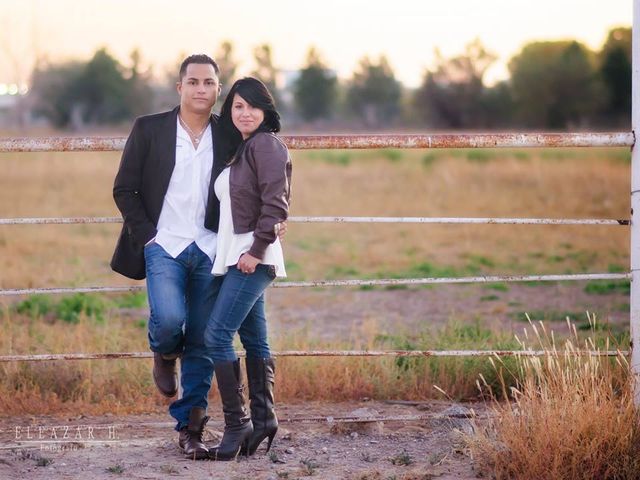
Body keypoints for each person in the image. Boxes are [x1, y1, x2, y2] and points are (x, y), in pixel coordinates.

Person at [111, 55, 285, 460]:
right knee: (170, 322)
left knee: (206, 341)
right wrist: (150, 237)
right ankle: (163, 351)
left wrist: (270, 222)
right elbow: (125, 189)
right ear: (180, 87)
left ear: (217, 89)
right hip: (164, 246)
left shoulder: (230, 131)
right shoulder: (149, 128)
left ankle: (190, 427)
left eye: (209, 83)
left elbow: (264, 171)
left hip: (212, 248)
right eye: (194, 82)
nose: (201, 90)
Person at [204, 77, 291, 461]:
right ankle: (264, 418)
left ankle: (237, 424)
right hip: (241, 256)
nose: (244, 113)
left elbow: (277, 205)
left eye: (252, 106)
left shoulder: (266, 145)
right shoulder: (244, 148)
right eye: (237, 106)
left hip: (251, 259)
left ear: (266, 111)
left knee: (216, 335)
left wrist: (256, 251)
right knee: (255, 341)